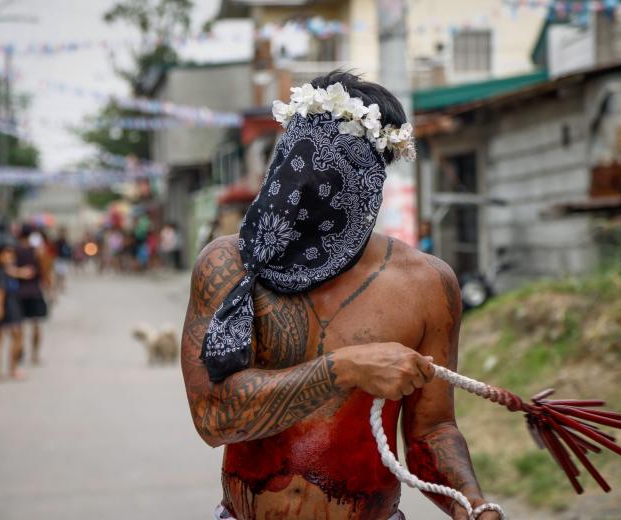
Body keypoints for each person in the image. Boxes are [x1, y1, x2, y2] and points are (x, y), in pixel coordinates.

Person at [181, 72, 500, 520]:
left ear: (367, 178)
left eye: (329, 166)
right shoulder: (229, 265)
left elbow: (432, 429)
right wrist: (342, 370)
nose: (307, 179)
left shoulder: (425, 284)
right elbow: (213, 419)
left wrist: (473, 505)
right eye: (298, 158)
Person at [0, 244, 23, 381]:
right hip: (6, 307)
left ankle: (6, 370)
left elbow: (16, 272)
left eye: (10, 254)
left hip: (11, 305)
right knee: (8, 339)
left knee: (2, 339)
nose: (8, 257)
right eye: (5, 254)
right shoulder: (0, 272)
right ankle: (7, 370)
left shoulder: (6, 270)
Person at [15, 224, 48, 365]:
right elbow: (44, 271)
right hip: (35, 291)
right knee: (36, 325)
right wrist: (49, 288)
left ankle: (19, 350)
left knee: (19, 325)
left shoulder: (13, 251)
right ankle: (35, 354)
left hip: (18, 292)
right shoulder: (37, 251)